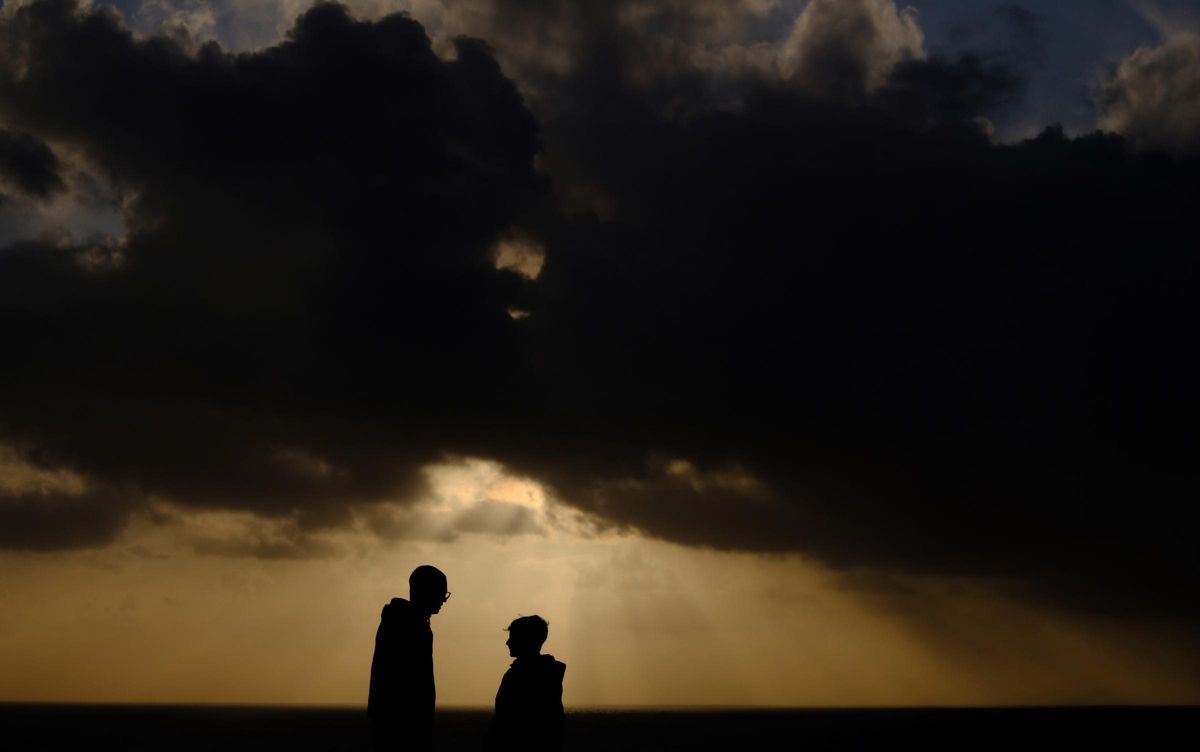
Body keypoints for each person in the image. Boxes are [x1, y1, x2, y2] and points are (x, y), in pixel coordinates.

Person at [368, 565, 450, 752]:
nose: (443, 600)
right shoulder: (411, 625)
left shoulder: (401, 620)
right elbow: (411, 682)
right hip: (403, 725)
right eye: (441, 593)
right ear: (426, 591)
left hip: (395, 722)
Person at [485, 615, 566, 752]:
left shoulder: (520, 676)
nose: (508, 643)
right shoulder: (549, 673)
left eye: (513, 638)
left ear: (527, 640)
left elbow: (508, 721)